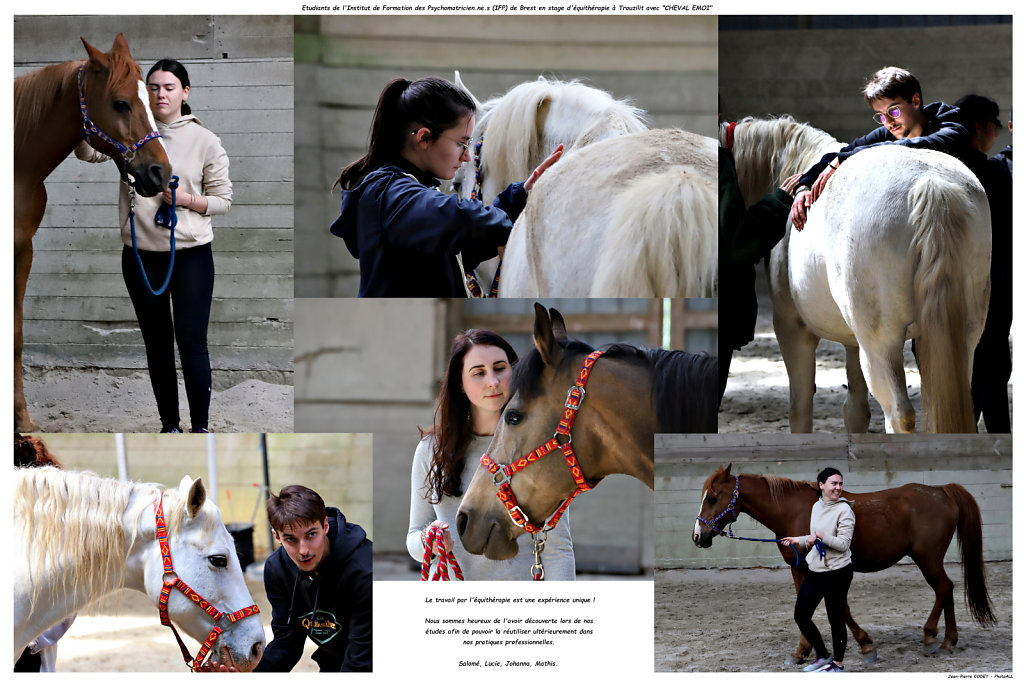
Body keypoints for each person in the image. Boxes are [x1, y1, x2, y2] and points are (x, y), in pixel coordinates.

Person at [76, 59, 232, 433]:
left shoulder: (206, 141)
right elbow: (88, 152)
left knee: (192, 341)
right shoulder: (129, 130)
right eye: (155, 87)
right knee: (157, 344)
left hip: (191, 256)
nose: (161, 94)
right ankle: (169, 426)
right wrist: (84, 114)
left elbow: (223, 199)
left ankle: (201, 427)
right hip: (141, 257)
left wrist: (187, 201)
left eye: (170, 87)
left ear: (185, 92)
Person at [330, 77, 562, 297]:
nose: (468, 156)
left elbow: (457, 249)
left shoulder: (400, 193)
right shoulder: (388, 193)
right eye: (462, 143)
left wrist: (518, 197)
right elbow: (460, 220)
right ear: (423, 138)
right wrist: (504, 228)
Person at [407, 329, 575, 580]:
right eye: (478, 373)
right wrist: (427, 540)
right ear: (460, 384)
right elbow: (413, 538)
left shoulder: (538, 450)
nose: (493, 382)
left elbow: (557, 549)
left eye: (500, 368)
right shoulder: (431, 449)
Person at [789, 66, 973, 230]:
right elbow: (839, 154)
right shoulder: (890, 132)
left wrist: (849, 157)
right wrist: (804, 185)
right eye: (882, 116)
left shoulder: (951, 122)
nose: (889, 122)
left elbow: (927, 144)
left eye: (894, 111)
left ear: (915, 101)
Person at [252, 485, 372, 672]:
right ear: (277, 536)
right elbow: (287, 642)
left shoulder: (363, 569)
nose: (304, 550)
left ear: (325, 526)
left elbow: (362, 658)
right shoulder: (277, 570)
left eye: (311, 535)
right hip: (334, 663)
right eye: (291, 539)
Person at [956, 95, 1012, 432]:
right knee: (988, 358)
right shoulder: (994, 171)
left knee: (990, 359)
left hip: (996, 284)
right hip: (992, 283)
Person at [780, 468, 855, 673]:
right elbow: (815, 536)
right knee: (801, 614)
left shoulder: (845, 510)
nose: (838, 487)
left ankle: (837, 665)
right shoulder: (816, 506)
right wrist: (799, 540)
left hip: (838, 571)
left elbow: (843, 544)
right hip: (817, 568)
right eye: (834, 483)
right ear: (821, 485)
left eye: (840, 483)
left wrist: (821, 536)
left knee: (836, 619)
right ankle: (822, 655)